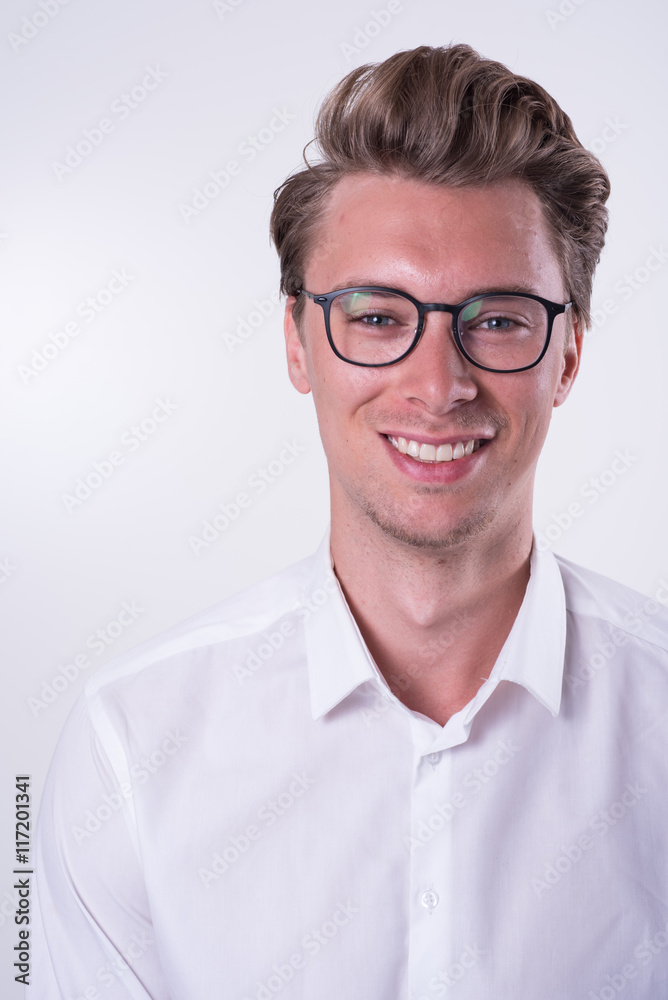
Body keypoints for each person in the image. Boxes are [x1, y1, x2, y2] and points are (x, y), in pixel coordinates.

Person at [30, 44, 668, 1000]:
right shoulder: (128, 746)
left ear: (569, 353)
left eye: (496, 319)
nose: (438, 385)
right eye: (376, 317)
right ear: (297, 341)